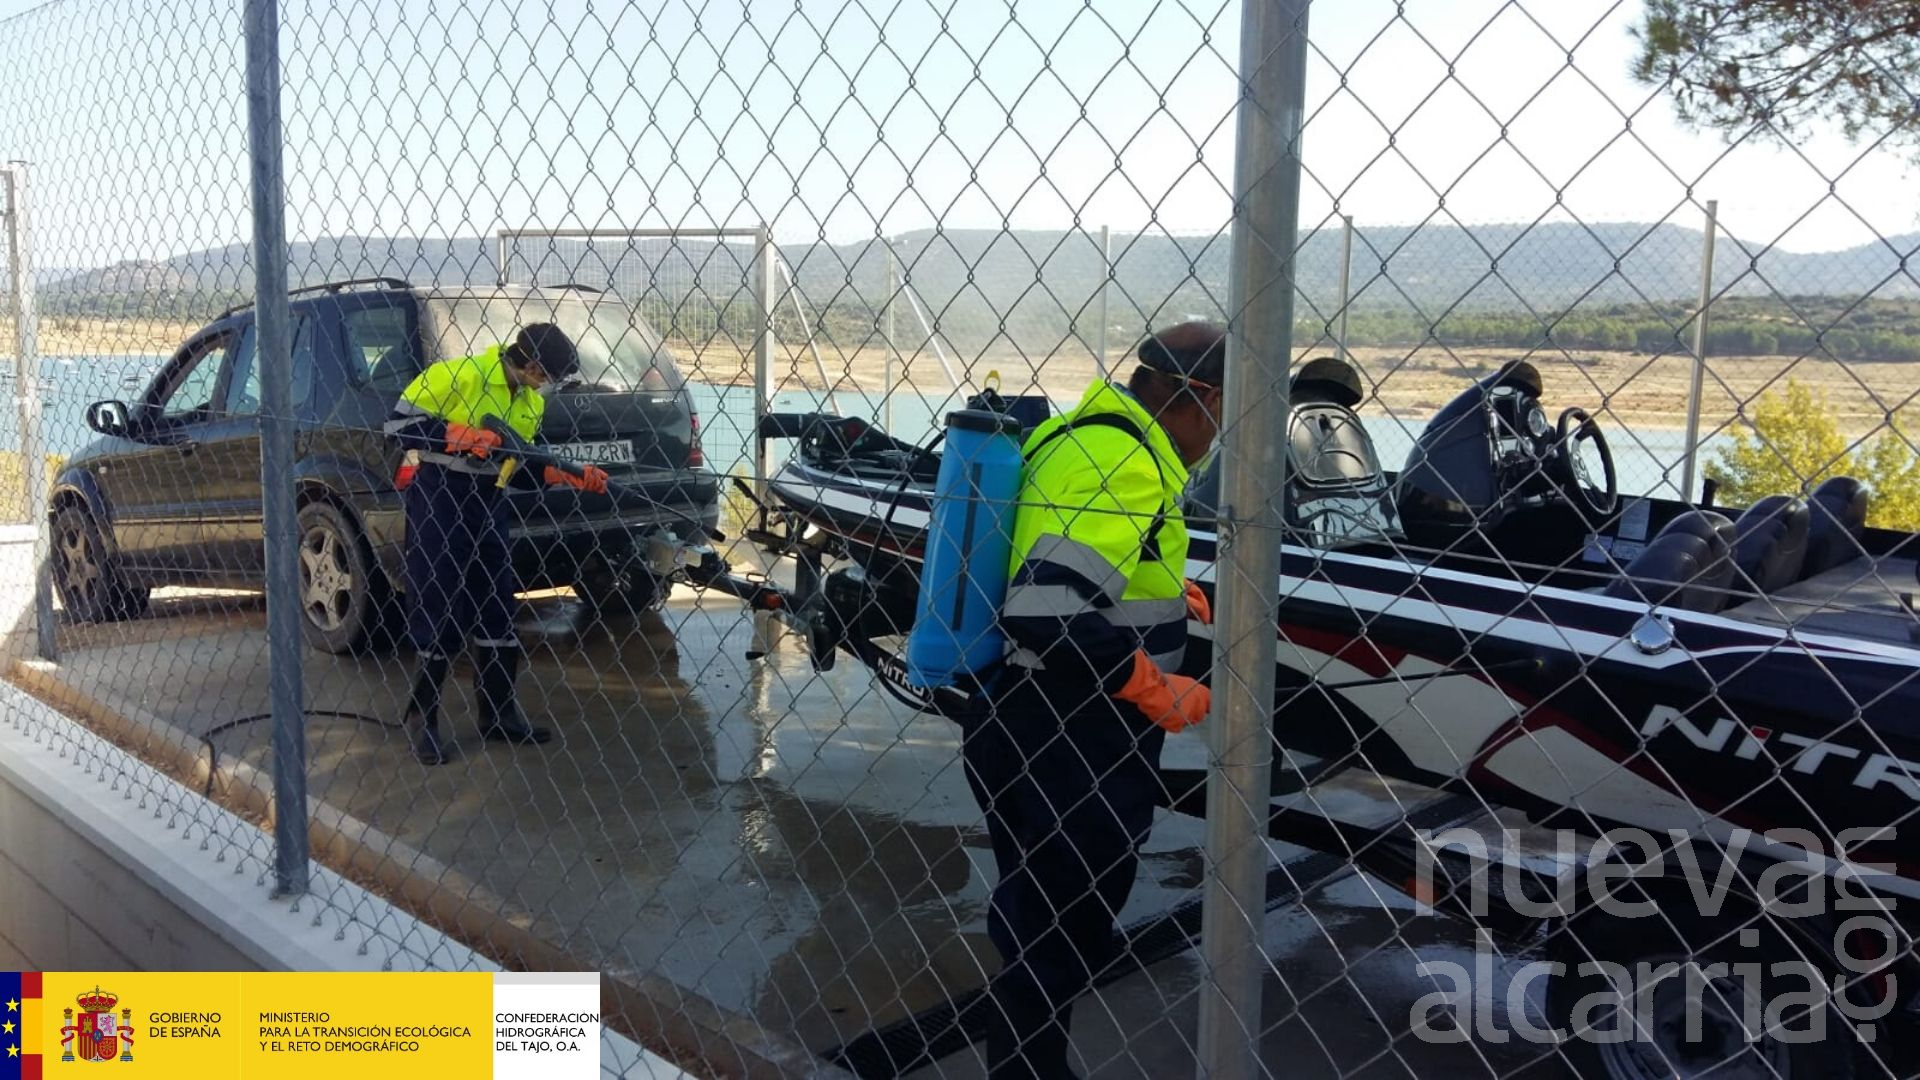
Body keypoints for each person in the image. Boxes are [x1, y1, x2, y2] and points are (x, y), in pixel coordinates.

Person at [965, 320, 1225, 1078]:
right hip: (1076, 735)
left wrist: (1158, 582)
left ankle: (1028, 1066)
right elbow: (1045, 608)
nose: (1221, 437)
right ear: (1202, 398)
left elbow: (1050, 547)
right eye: (1227, 415)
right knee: (1062, 932)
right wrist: (1153, 684)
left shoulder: (1078, 435)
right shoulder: (1130, 464)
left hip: (1015, 714)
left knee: (1037, 920)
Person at [383, 322, 609, 765]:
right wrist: (461, 436)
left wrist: (566, 474)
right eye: (546, 376)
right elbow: (398, 423)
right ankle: (422, 719)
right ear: (531, 364)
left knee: (496, 606)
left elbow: (521, 465)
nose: (545, 386)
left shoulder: (529, 403)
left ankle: (499, 713)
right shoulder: (460, 374)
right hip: (440, 497)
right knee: (438, 603)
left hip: (488, 502)